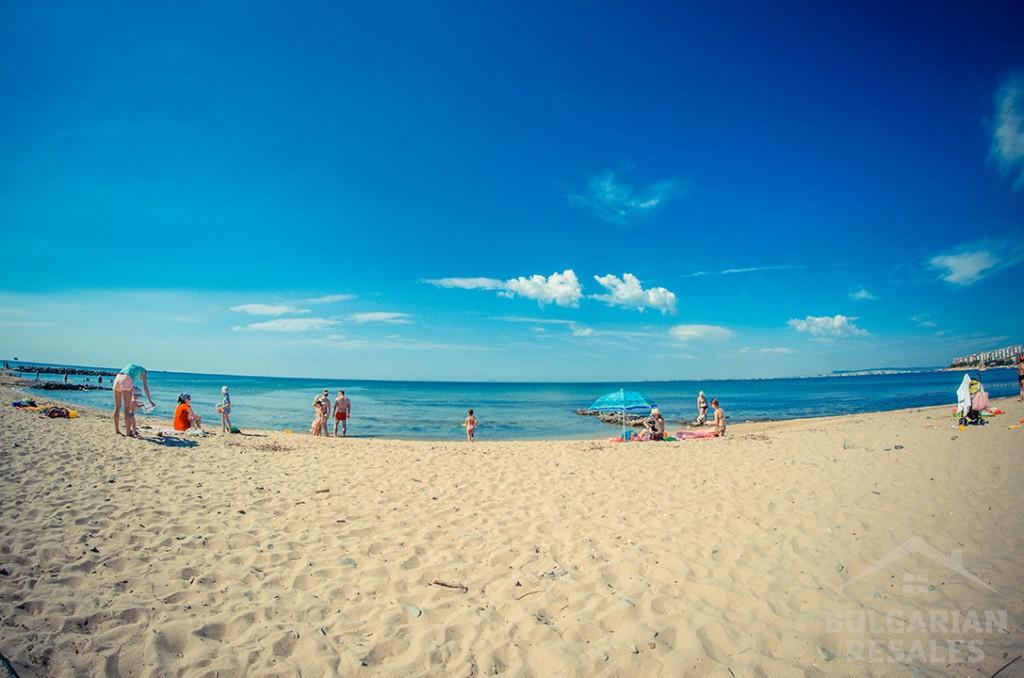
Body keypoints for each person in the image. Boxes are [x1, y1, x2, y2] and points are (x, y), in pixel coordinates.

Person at [112, 363, 155, 437]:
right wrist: (150, 401)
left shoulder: (133, 367)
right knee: (127, 409)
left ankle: (117, 430)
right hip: (126, 379)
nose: (141, 378)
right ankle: (128, 432)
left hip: (117, 378)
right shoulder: (143, 371)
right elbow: (145, 388)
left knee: (117, 408)